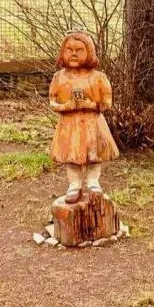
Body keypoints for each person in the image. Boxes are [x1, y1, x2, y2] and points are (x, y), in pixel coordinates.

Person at [49, 31, 119, 204]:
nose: (73, 54)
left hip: (93, 124)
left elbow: (107, 103)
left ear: (90, 52)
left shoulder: (98, 78)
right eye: (69, 50)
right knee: (72, 155)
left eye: (79, 50)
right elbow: (52, 102)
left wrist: (91, 104)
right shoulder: (59, 77)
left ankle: (93, 182)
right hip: (69, 126)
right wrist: (64, 107)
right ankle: (74, 185)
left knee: (94, 154)